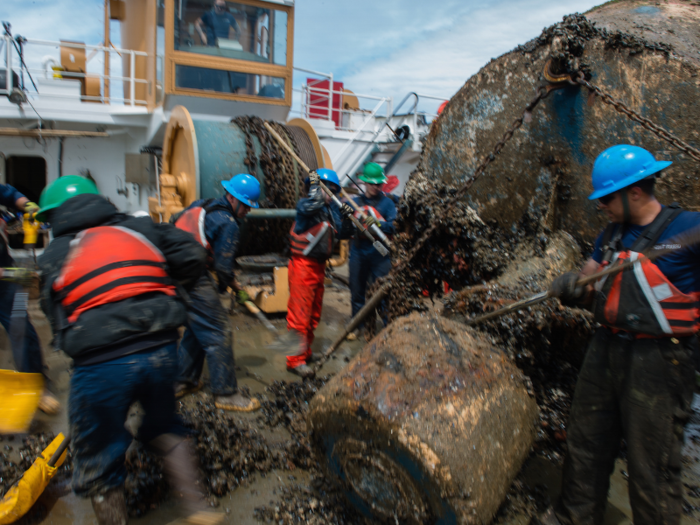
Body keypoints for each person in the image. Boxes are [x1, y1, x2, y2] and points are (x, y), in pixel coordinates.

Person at [36, 175, 220, 525]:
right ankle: (198, 509)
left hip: (101, 363)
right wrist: (160, 282)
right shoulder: (141, 227)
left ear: (55, 216)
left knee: (99, 453)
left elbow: (55, 313)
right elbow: (193, 254)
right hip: (162, 350)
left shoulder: (54, 254)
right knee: (165, 424)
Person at [542, 145, 700, 525]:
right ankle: (573, 518)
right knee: (586, 443)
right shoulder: (611, 234)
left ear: (634, 193)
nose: (601, 206)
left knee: (653, 462)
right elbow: (591, 275)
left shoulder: (688, 229)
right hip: (606, 349)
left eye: (607, 198)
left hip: (660, 360)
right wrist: (575, 285)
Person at [173, 174, 261, 411]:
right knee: (217, 330)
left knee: (195, 327)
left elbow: (175, 221)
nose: (247, 212)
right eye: (246, 206)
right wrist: (236, 289)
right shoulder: (228, 224)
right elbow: (223, 268)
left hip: (176, 272)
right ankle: (226, 394)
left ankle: (184, 380)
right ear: (232, 198)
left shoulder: (203, 204)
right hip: (193, 277)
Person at [271, 169, 353, 378]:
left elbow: (343, 233)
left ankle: (305, 353)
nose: (330, 194)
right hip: (302, 267)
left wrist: (347, 217)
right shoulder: (305, 206)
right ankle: (293, 361)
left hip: (318, 267)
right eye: (328, 189)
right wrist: (318, 190)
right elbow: (311, 205)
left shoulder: (329, 211)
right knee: (299, 316)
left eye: (333, 190)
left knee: (313, 315)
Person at [0, 183, 59, 414]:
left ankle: (37, 385)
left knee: (21, 328)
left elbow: (10, 194)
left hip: (5, 279)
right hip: (6, 274)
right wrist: (16, 274)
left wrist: (28, 206)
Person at [348, 162, 396, 328]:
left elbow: (395, 226)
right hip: (359, 249)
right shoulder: (354, 202)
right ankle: (358, 326)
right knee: (357, 290)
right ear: (365, 182)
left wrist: (379, 224)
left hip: (379, 249)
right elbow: (342, 224)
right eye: (372, 184)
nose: (376, 187)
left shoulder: (387, 204)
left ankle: (387, 327)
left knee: (384, 290)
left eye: (378, 184)